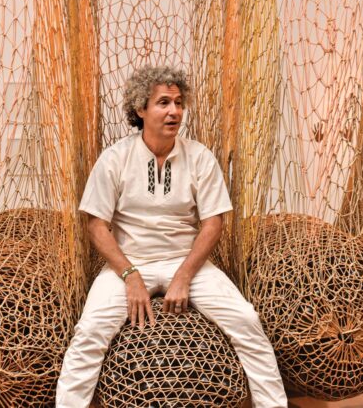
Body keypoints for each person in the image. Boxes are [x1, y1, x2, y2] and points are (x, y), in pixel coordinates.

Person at [56, 65, 287, 407]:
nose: (174, 111)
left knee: (246, 320)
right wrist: (129, 275)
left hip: (189, 263)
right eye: (163, 102)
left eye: (178, 103)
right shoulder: (114, 159)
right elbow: (96, 226)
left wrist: (184, 275)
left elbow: (213, 224)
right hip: (129, 264)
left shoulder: (200, 157)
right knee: (89, 332)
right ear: (140, 109)